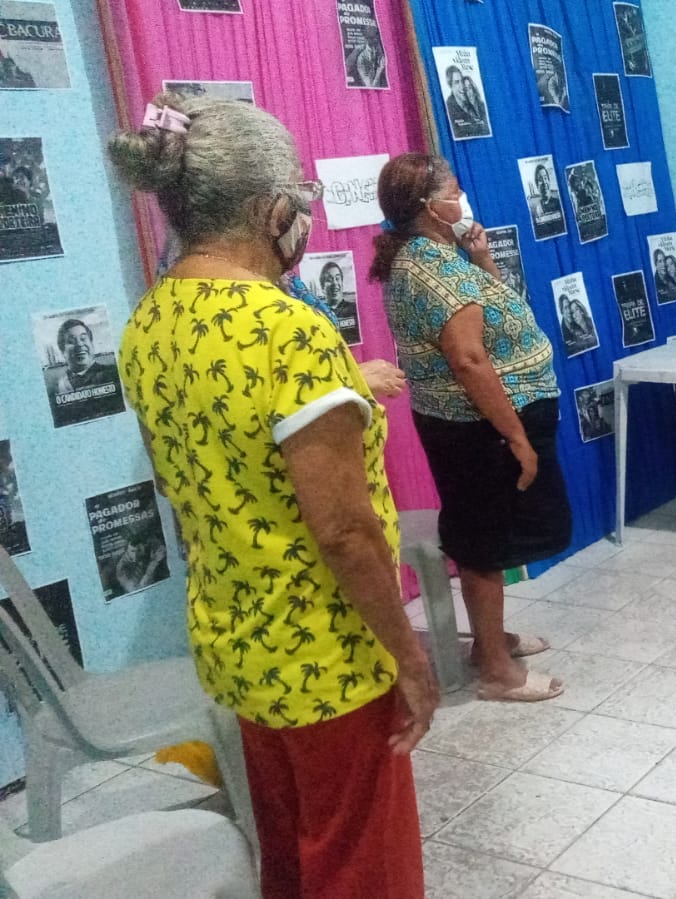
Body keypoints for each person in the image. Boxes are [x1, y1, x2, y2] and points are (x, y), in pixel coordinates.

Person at [108, 92, 435, 898]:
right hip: (327, 654)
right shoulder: (288, 330)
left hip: (239, 643)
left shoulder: (149, 321)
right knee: (359, 864)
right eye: (301, 198)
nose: (305, 217)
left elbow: (182, 478)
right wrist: (408, 654)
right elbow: (344, 532)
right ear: (267, 208)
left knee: (290, 848)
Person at [373, 152, 569, 703]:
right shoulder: (434, 272)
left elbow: (498, 311)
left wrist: (481, 257)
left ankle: (490, 641)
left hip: (476, 424)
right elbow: (469, 361)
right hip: (480, 430)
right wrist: (517, 438)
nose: (462, 199)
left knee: (492, 535)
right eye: (454, 192)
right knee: (487, 542)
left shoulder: (436, 257)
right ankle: (495, 671)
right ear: (430, 207)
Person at [443, 66, 487, 137]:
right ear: (450, 86)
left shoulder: (471, 103)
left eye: (462, 81)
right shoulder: (448, 109)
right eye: (457, 82)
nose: (462, 86)